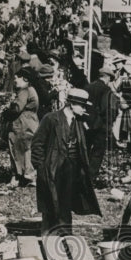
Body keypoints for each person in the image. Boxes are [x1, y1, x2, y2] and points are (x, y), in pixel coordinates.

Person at [31, 88, 101, 236]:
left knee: (66, 201)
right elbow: (37, 143)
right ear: (71, 104)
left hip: (72, 167)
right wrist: (41, 166)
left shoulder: (80, 122)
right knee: (51, 200)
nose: (84, 110)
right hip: (53, 166)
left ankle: (65, 234)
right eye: (82, 106)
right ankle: (48, 233)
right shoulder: (51, 119)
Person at [85, 65, 120, 183]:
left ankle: (81, 175)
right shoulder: (107, 90)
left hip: (86, 123)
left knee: (86, 149)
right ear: (108, 78)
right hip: (100, 125)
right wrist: (109, 124)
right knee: (97, 152)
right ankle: (90, 178)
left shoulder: (88, 87)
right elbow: (108, 110)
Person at [4, 69, 40, 186]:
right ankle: (29, 175)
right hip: (31, 122)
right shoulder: (32, 89)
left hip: (21, 123)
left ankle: (19, 176)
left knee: (17, 148)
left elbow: (17, 108)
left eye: (16, 78)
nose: (15, 81)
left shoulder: (24, 91)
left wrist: (5, 112)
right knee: (27, 149)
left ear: (24, 79)